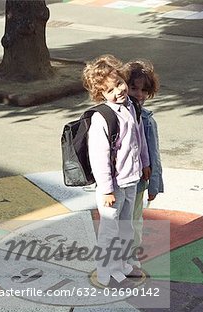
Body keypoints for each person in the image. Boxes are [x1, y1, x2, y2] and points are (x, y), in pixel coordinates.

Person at [82, 54, 151, 287]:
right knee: (109, 230)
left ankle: (120, 265)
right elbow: (99, 158)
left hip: (131, 179)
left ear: (123, 78)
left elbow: (139, 139)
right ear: (100, 94)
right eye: (110, 90)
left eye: (120, 84)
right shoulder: (103, 117)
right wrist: (106, 190)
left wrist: (145, 163)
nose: (118, 92)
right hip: (112, 187)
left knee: (125, 227)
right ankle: (104, 271)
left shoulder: (132, 106)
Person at [124, 59, 164, 267]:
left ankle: (130, 258)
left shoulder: (147, 119)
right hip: (119, 181)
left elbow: (153, 154)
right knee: (118, 221)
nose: (139, 95)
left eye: (144, 90)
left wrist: (155, 184)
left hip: (138, 181)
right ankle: (117, 258)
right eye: (133, 88)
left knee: (133, 220)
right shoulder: (117, 115)